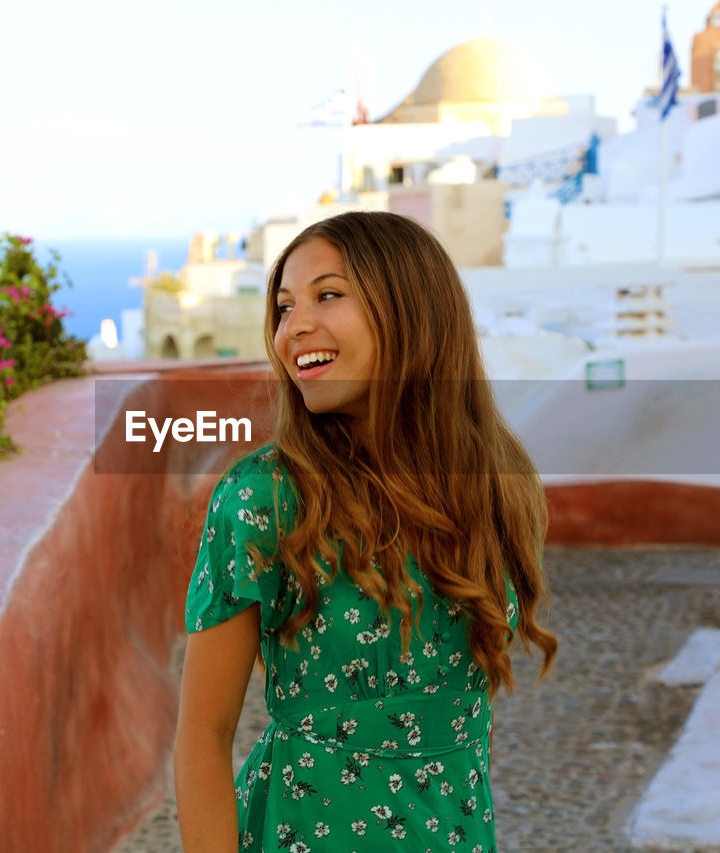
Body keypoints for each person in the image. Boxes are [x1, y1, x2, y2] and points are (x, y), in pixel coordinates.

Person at [173, 211, 557, 852]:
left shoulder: (495, 482)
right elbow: (202, 737)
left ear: (411, 309)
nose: (293, 328)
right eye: (284, 306)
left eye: (328, 294)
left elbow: (463, 716)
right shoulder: (263, 499)